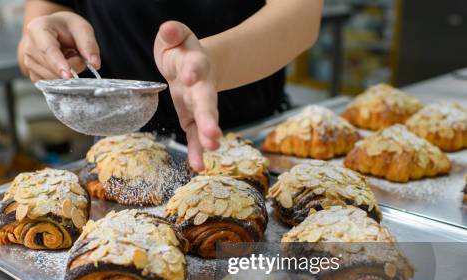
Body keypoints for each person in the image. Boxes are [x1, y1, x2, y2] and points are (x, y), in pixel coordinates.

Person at [18, 0, 323, 170]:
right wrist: (42, 46)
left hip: (252, 140)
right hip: (121, 150)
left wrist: (210, 62)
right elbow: (44, 14)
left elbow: (302, 16)